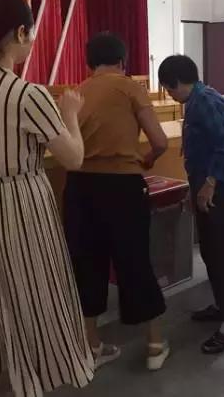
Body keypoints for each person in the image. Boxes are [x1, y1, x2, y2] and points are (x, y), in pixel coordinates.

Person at [0, 0, 93, 397]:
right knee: (34, 294)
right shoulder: (29, 95)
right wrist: (71, 116)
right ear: (21, 33)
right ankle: (33, 381)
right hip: (19, 201)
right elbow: (74, 158)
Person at [63, 33, 170, 371]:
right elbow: (160, 141)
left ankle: (91, 346)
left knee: (87, 264)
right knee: (135, 261)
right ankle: (154, 345)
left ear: (88, 63)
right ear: (123, 61)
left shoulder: (75, 92)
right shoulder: (130, 88)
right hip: (123, 187)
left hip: (80, 187)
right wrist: (146, 159)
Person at [158, 55, 224, 354]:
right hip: (211, 186)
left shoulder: (206, 102)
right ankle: (222, 307)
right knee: (211, 252)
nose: (170, 94)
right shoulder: (198, 99)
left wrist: (209, 183)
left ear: (177, 82)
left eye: (169, 88)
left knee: (221, 256)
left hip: (223, 188)